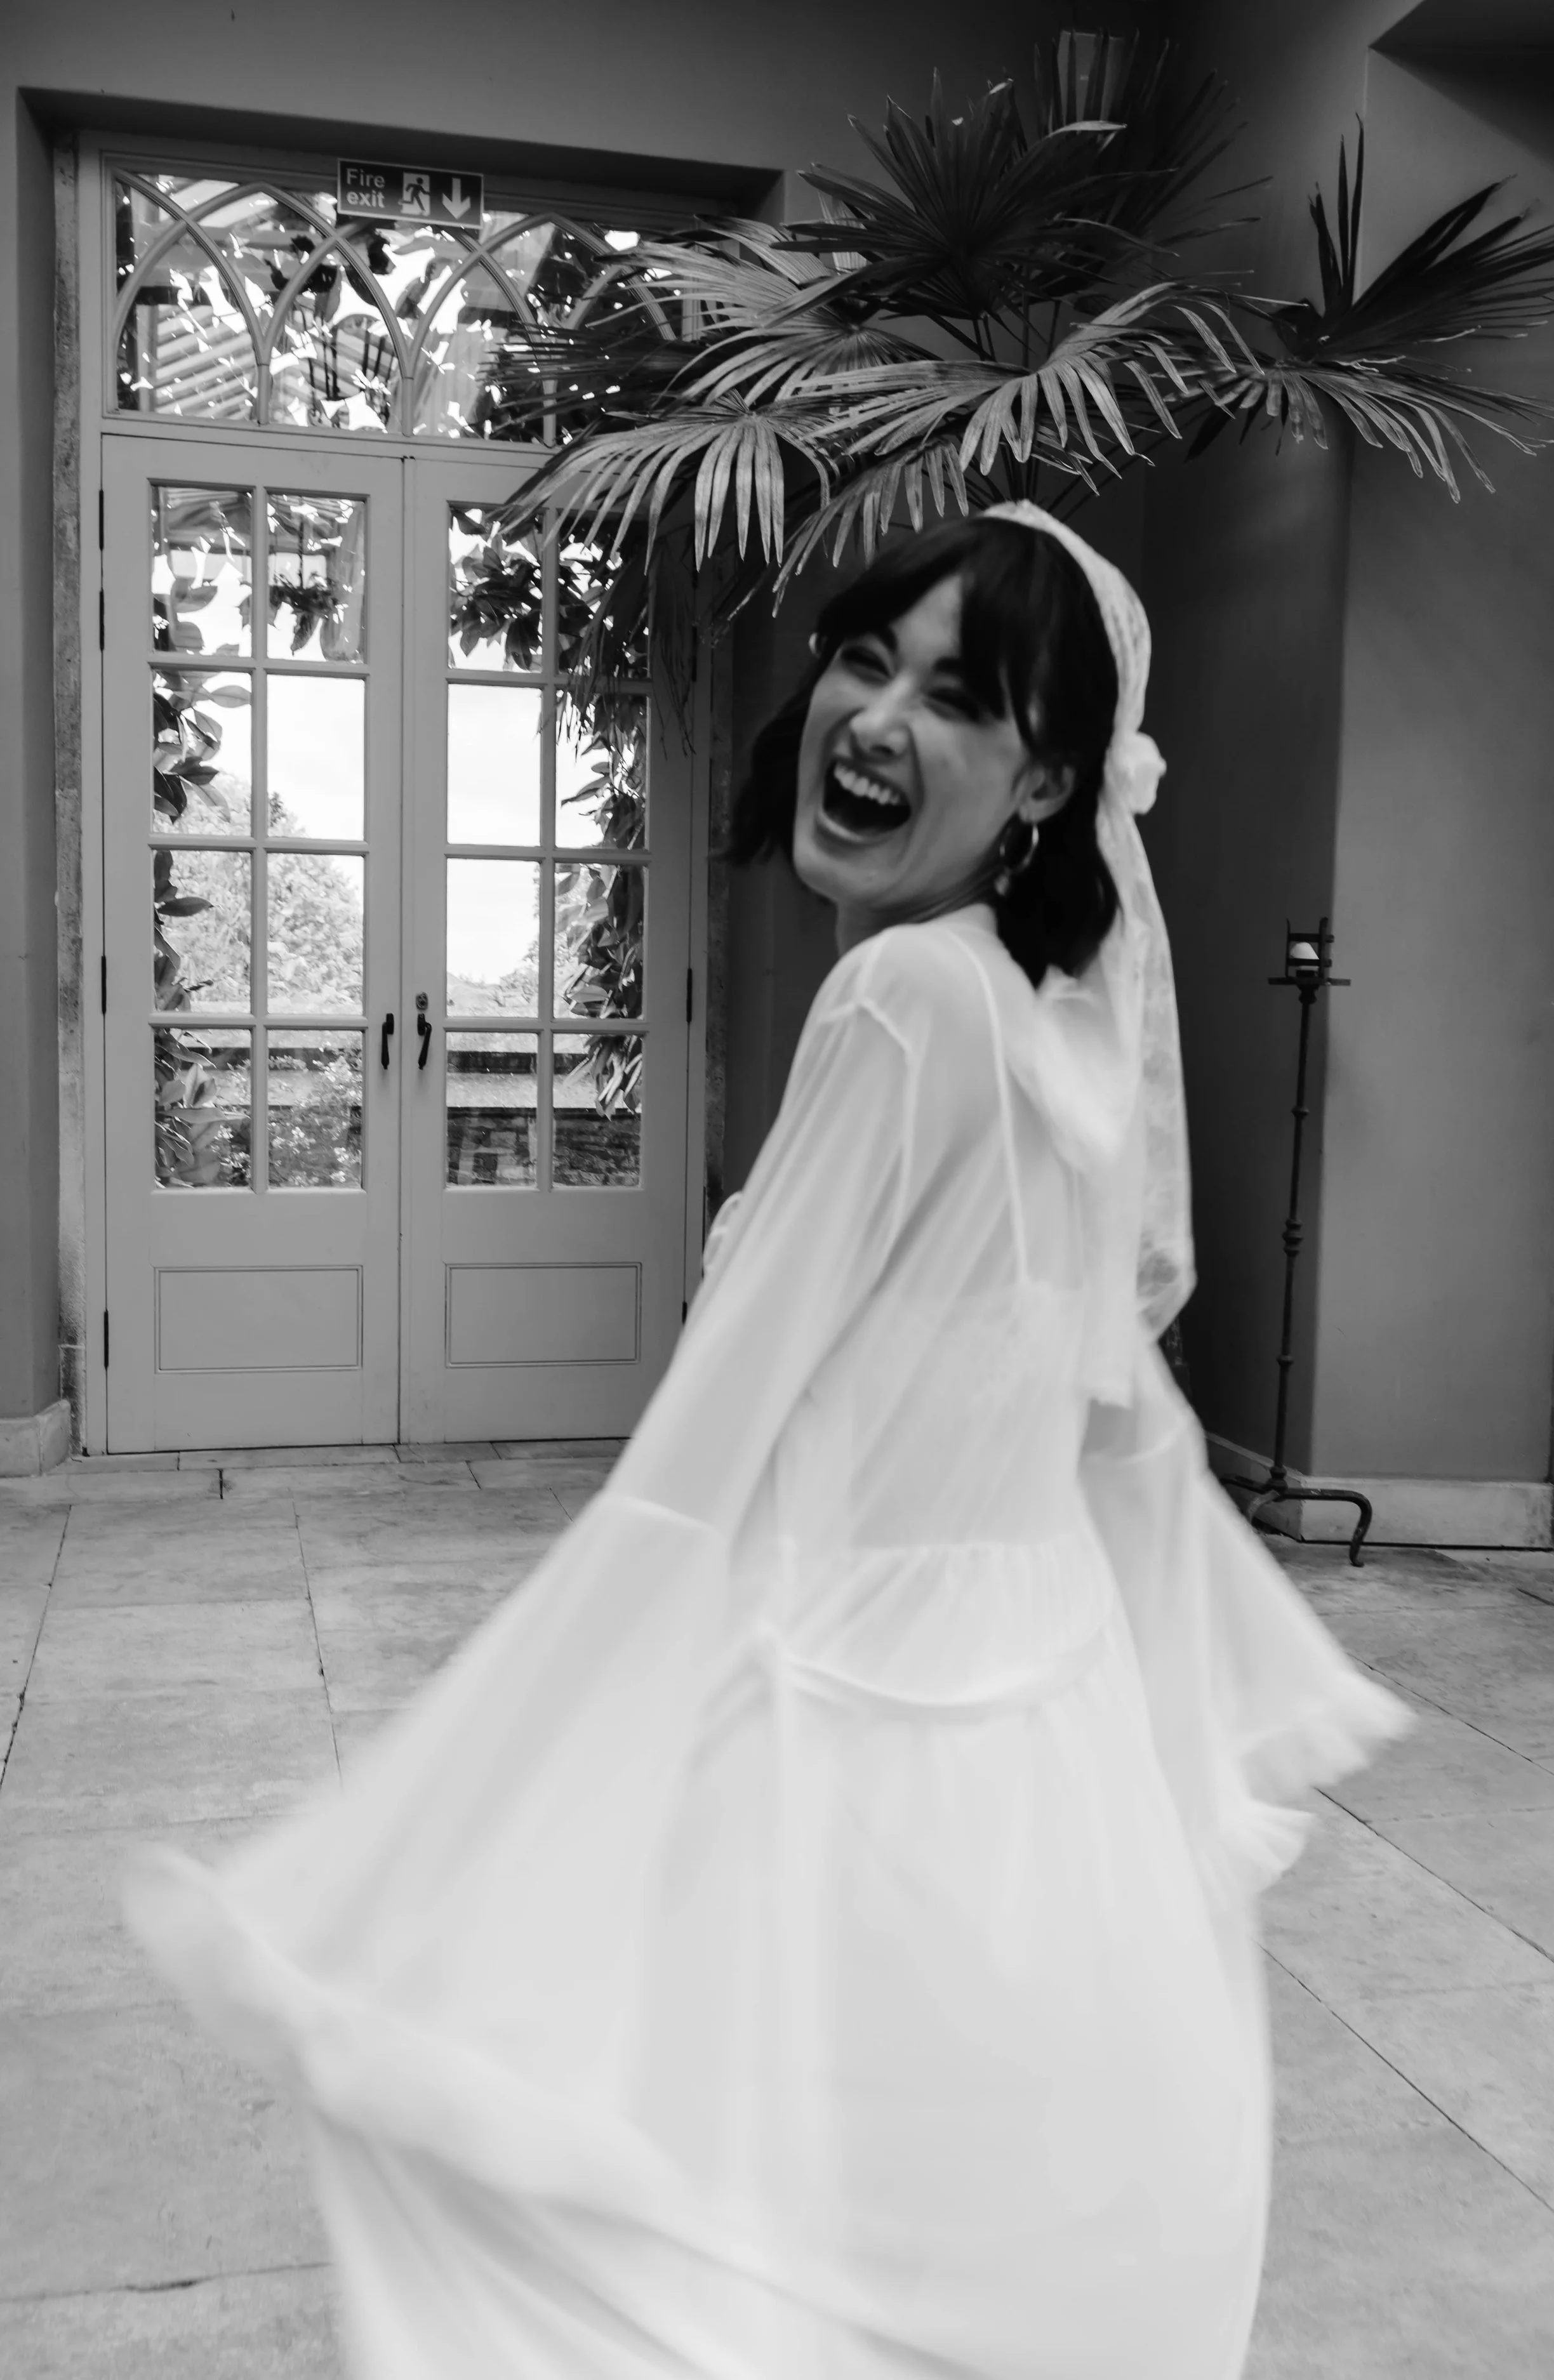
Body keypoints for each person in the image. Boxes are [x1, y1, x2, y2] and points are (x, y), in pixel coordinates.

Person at [128, 503, 1407, 2380]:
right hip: (1036, 1762)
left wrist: (450, 1812)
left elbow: (696, 1456)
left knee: (692, 2242)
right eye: (866, 655)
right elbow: (1125, 1423)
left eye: (953, 696)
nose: (870, 714)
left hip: (849, 1728)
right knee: (957, 2248)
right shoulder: (1060, 1029)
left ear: (1048, 775)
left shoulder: (900, 1000)